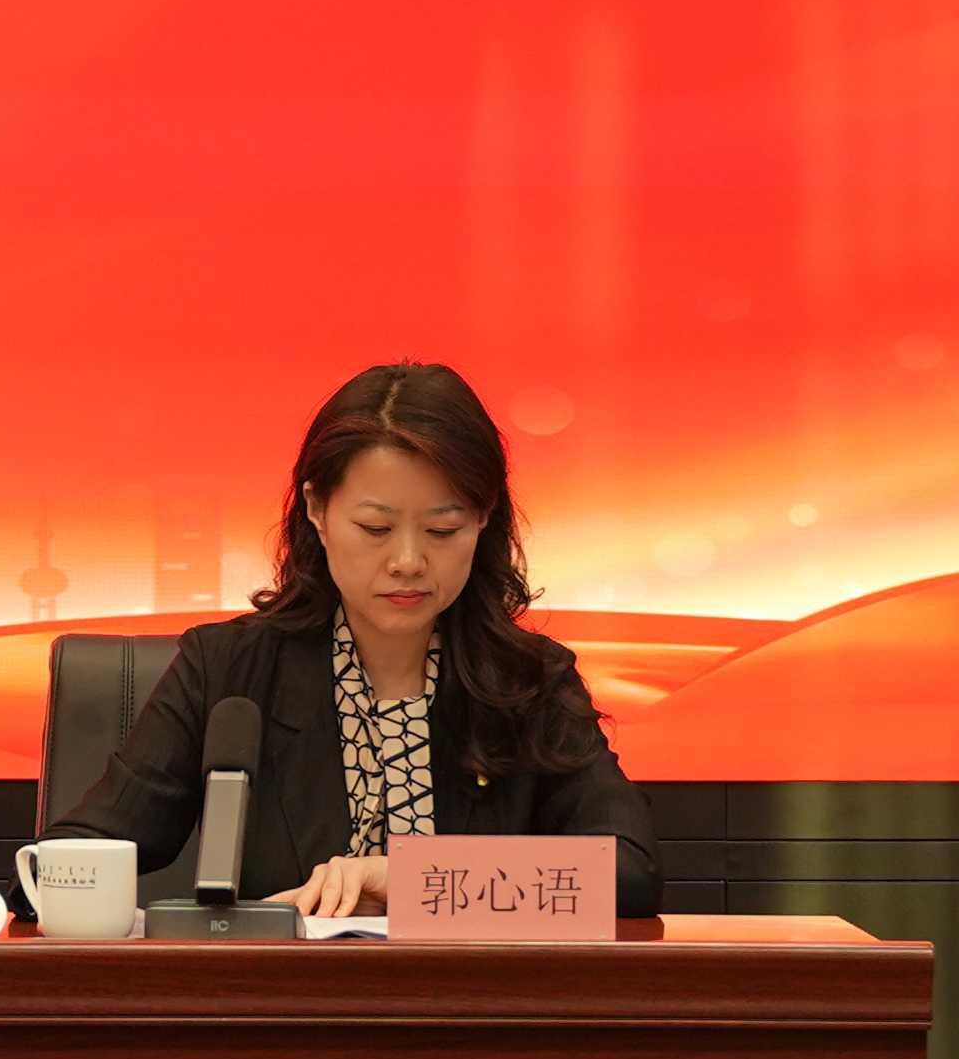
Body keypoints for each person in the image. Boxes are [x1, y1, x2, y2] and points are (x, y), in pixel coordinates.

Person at [50, 359, 654, 920]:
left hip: (471, 998)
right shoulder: (227, 671)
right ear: (317, 509)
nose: (408, 561)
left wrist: (415, 880)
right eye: (375, 528)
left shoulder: (530, 683)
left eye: (443, 530)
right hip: (284, 999)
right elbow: (73, 858)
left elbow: (628, 875)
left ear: (483, 517)